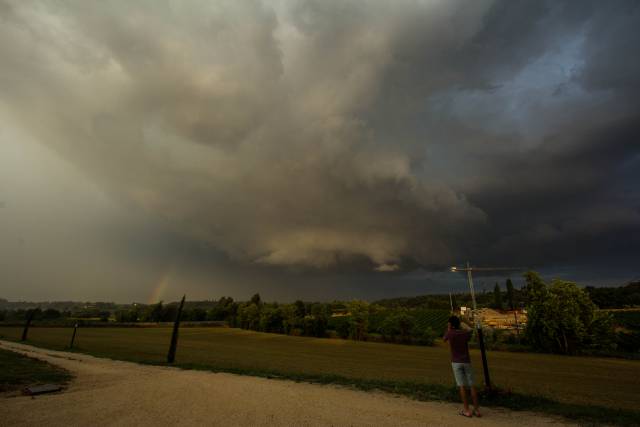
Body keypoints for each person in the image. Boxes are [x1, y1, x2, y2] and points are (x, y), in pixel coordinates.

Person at [443, 315, 481, 418]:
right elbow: (470, 330)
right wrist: (462, 324)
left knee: (462, 386)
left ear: (450, 324)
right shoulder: (464, 333)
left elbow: (444, 339)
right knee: (472, 385)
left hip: (456, 362)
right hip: (466, 361)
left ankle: (467, 410)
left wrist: (449, 328)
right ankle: (477, 410)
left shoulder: (450, 333)